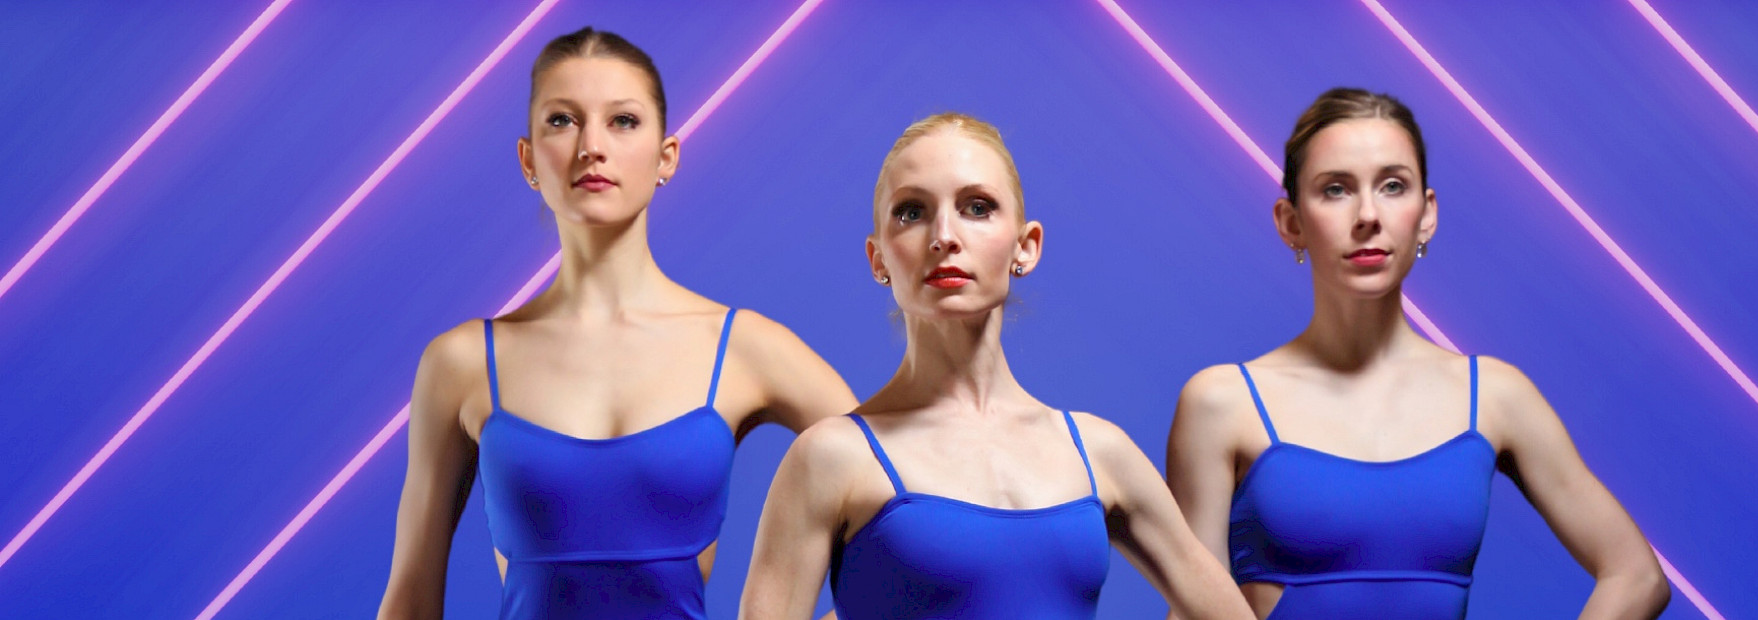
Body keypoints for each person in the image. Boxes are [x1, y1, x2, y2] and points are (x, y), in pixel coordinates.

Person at [377, 27, 857, 620]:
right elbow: (411, 595)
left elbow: (898, 511)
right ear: (529, 160)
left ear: (666, 157)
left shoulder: (742, 347)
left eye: (623, 121)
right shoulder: (461, 362)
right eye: (562, 120)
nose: (591, 147)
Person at [1166, 87, 1671, 619]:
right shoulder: (1220, 403)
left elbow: (1636, 575)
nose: (1367, 215)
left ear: (1426, 213)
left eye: (1392, 186)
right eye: (1335, 189)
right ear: (1291, 222)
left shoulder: (1493, 395)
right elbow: (1190, 611)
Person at [738, 112, 1253, 620]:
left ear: (1025, 247)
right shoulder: (830, 459)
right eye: (912, 212)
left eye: (977, 207)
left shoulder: (1099, 452)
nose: (943, 235)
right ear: (878, 260)